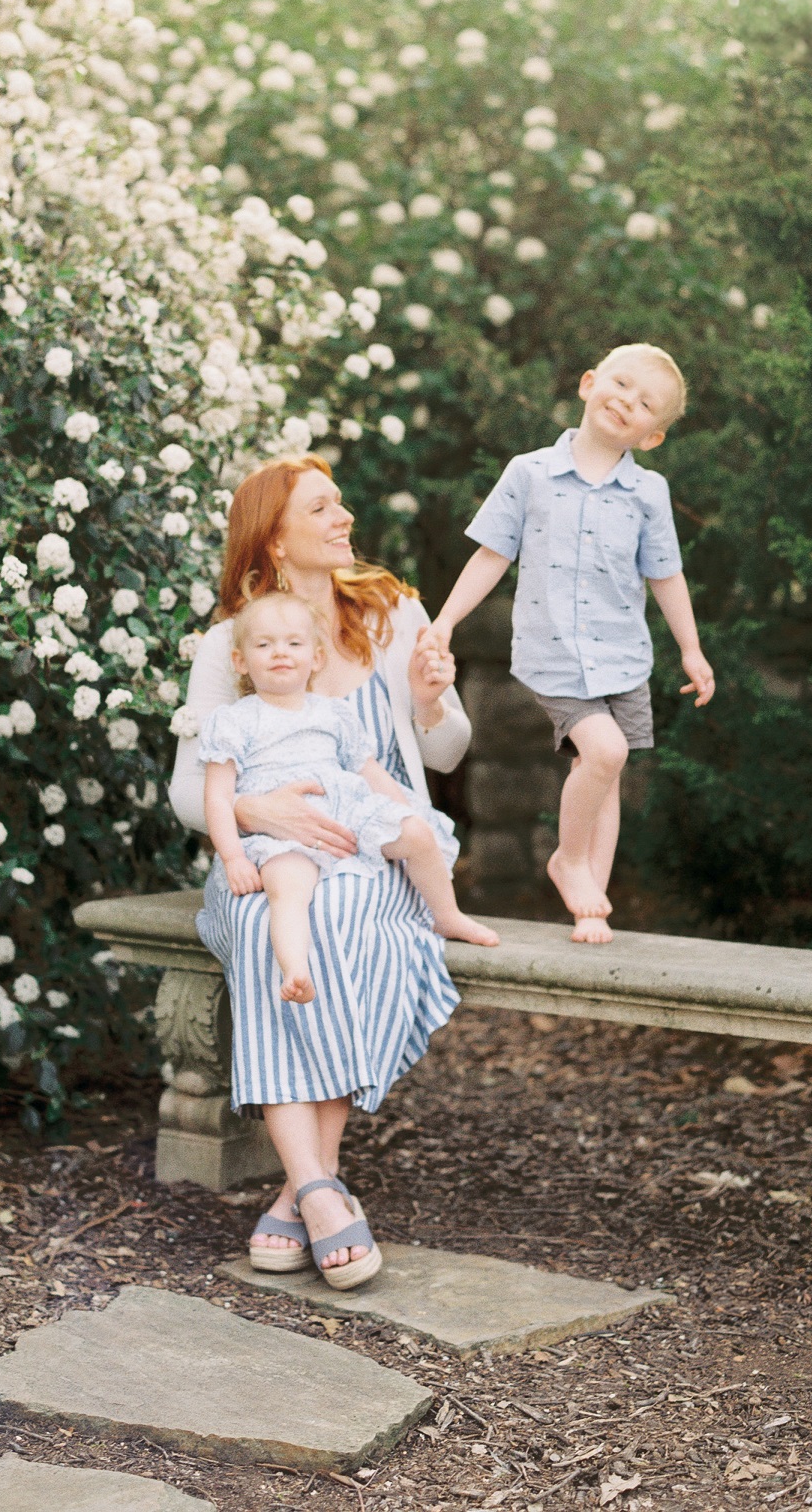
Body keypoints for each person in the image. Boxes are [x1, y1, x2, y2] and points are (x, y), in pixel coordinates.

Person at [169, 456, 475, 1289]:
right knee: (273, 925)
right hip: (263, 856)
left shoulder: (392, 611)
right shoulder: (232, 641)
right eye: (322, 507)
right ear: (273, 535)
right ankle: (318, 1188)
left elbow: (445, 752)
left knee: (335, 926)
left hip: (378, 843)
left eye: (341, 502)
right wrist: (263, 815)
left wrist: (428, 702)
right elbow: (188, 794)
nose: (345, 517)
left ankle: (298, 1192)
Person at [432, 342, 715, 941]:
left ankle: (591, 901)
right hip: (555, 653)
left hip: (625, 659)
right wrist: (444, 621)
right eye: (620, 384)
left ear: (651, 437)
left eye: (645, 404)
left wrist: (690, 649)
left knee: (604, 769)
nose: (626, 402)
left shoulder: (648, 495)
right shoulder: (529, 473)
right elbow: (491, 554)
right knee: (606, 752)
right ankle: (567, 860)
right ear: (589, 383)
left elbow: (666, 575)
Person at [200, 590, 496, 1005]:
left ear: (316, 658)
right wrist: (232, 857)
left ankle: (446, 915)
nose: (280, 653)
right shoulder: (234, 721)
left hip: (347, 811)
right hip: (283, 832)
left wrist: (409, 809)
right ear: (240, 661)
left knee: (418, 835)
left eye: (294, 644)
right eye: (264, 645)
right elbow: (217, 796)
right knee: (287, 887)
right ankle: (295, 969)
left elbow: (367, 769)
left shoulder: (332, 713)